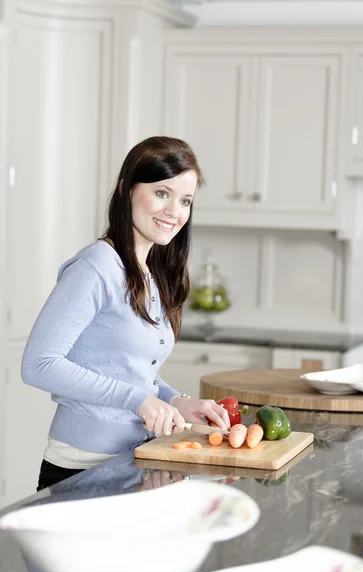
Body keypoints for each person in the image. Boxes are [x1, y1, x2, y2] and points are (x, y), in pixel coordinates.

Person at [21, 136, 230, 491]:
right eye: (162, 193)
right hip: (82, 468)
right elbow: (38, 364)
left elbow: (128, 370)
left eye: (185, 200)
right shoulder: (96, 267)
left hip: (133, 460)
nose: (174, 211)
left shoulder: (150, 272)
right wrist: (138, 401)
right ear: (126, 190)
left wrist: (177, 401)